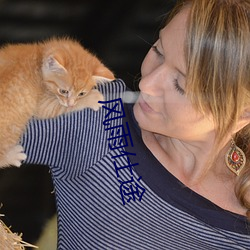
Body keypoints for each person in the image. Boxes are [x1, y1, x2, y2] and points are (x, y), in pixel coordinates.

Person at [21, 0, 250, 249]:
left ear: (243, 112)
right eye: (158, 51)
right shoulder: (100, 118)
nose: (147, 84)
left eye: (181, 85)